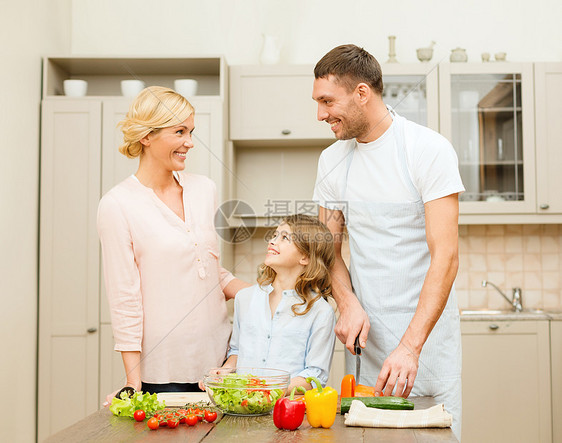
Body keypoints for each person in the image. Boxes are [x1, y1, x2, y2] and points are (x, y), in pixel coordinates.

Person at [311, 44, 465, 438]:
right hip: (365, 344)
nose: (321, 114)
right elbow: (328, 250)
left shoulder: (427, 150)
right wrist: (346, 303)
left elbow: (445, 256)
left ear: (362, 93)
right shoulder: (332, 160)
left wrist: (411, 347)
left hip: (426, 344)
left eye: (328, 101)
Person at [97, 86, 249, 404]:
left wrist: (265, 296)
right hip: (162, 372)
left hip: (220, 367)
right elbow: (124, 298)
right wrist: (133, 382)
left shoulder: (204, 189)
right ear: (146, 136)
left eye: (191, 131)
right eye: (180, 131)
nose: (189, 142)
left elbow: (209, 270)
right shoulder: (118, 204)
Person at [220, 214, 336, 392]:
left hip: (288, 411)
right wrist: (224, 372)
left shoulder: (321, 312)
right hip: (243, 406)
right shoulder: (245, 298)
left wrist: (268, 390)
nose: (272, 241)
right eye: (274, 235)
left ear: (304, 257)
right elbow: (236, 352)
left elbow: (315, 375)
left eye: (284, 237)